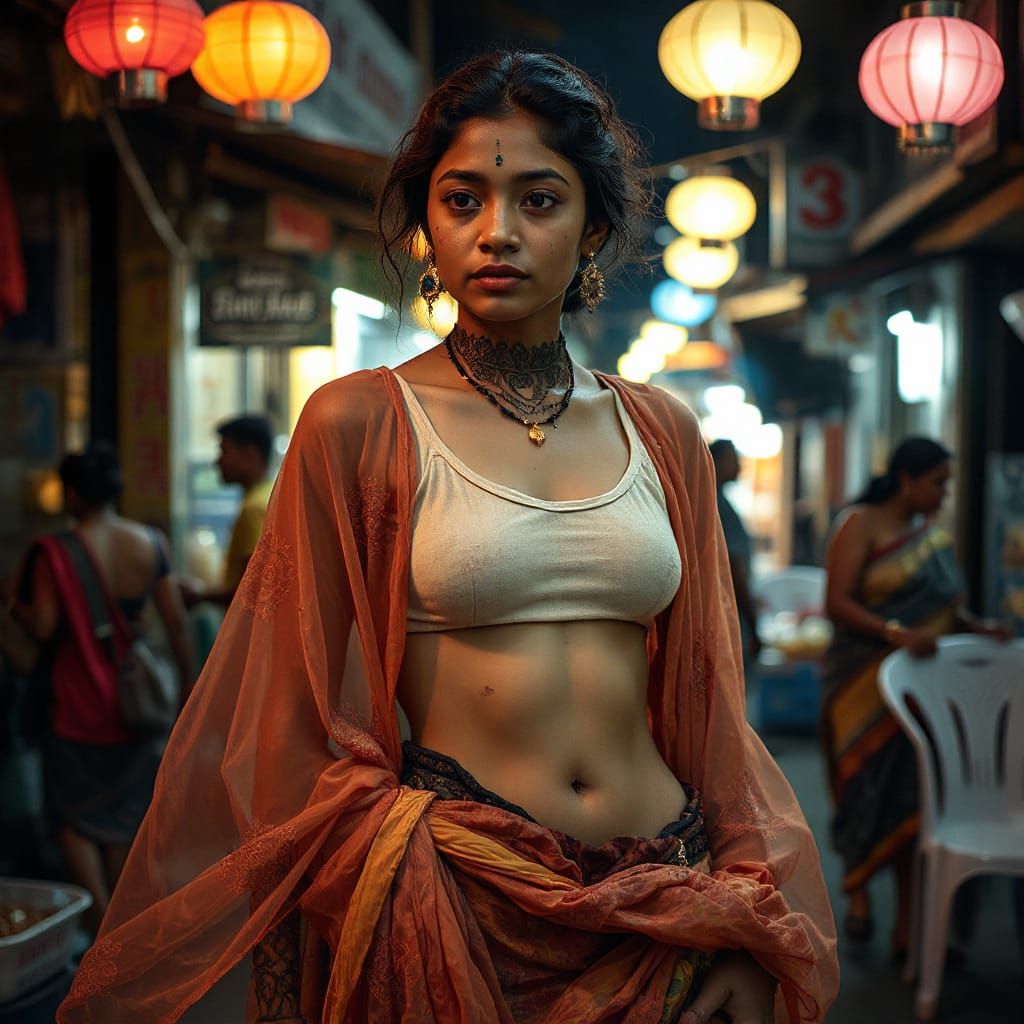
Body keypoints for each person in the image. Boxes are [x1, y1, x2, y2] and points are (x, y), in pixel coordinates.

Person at [58, 52, 837, 1024]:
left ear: (593, 227)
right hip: (459, 903)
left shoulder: (661, 430)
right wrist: (384, 866)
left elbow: (710, 699)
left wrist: (737, 910)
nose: (496, 231)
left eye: (539, 200)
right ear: (428, 225)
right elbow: (286, 719)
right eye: (462, 199)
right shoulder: (359, 421)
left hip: (667, 895)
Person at [821, 437, 1010, 959]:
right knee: (861, 792)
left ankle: (909, 929)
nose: (945, 494)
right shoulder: (860, 523)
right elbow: (835, 602)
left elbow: (946, 612)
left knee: (912, 806)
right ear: (906, 479)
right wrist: (894, 633)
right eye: (938, 483)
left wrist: (979, 628)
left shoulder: (933, 538)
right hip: (861, 689)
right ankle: (859, 896)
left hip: (921, 694)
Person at [9, 443, 193, 936]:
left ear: (71, 493)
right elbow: (176, 622)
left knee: (73, 818)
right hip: (135, 704)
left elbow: (44, 626)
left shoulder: (54, 552)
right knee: (123, 818)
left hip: (76, 703)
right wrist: (188, 688)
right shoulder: (150, 542)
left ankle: (99, 925)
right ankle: (122, 930)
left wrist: (13, 605)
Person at [179, 414, 274, 609]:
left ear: (249, 455)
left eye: (224, 451)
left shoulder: (254, 509)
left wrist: (199, 594)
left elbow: (252, 589)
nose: (217, 462)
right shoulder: (269, 495)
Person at [710, 439, 762, 667]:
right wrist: (753, 623)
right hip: (729, 619)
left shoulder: (716, 501)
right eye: (734, 459)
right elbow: (733, 568)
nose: (740, 465)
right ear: (716, 461)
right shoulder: (718, 506)